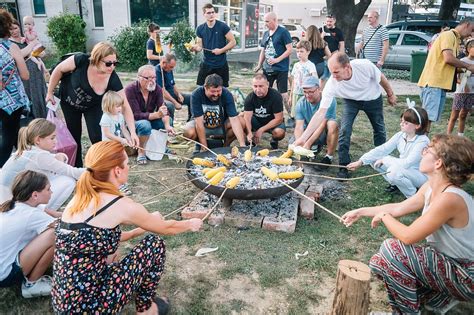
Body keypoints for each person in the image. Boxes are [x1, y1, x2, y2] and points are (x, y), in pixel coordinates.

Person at [52, 140, 203, 314]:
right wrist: (190, 224)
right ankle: (147, 309)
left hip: (65, 303)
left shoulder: (81, 197)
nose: (129, 167)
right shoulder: (121, 205)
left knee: (113, 253)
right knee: (154, 244)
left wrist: (137, 230)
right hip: (90, 307)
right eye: (127, 164)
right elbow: (166, 228)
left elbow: (98, 238)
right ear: (117, 170)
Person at [341, 134, 474, 314]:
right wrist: (361, 211)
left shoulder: (450, 198)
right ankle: (436, 298)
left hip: (467, 275)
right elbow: (399, 207)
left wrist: (384, 216)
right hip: (451, 263)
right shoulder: (431, 187)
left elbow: (408, 236)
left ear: (438, 163)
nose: (423, 152)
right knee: (380, 262)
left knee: (392, 250)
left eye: (428, 150)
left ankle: (409, 311)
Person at [293, 52, 397, 179]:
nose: (333, 76)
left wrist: (390, 94)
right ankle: (344, 165)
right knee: (344, 130)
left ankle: (380, 159)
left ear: (347, 67)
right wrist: (303, 138)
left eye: (336, 72)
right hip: (350, 101)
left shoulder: (364, 66)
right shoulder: (332, 83)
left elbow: (381, 78)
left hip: (372, 98)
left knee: (379, 128)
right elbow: (321, 113)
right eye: (331, 72)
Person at [46, 41, 139, 167]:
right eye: (108, 63)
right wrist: (50, 92)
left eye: (115, 63)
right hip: (69, 102)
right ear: (96, 59)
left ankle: (99, 167)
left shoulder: (112, 78)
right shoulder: (81, 60)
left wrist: (132, 132)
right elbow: (59, 70)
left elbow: (125, 106)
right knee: (74, 135)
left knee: (97, 136)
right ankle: (76, 168)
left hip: (93, 106)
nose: (112, 67)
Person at [0, 118, 85, 210]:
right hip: (13, 205)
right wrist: (98, 170)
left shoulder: (27, 150)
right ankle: (46, 212)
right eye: (52, 138)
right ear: (38, 140)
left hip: (6, 200)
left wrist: (61, 157)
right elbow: (73, 172)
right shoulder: (39, 156)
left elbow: (55, 161)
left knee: (52, 176)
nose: (55, 141)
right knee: (68, 180)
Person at [347, 107, 429, 198]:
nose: (401, 124)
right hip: (404, 169)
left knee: (393, 172)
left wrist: (385, 160)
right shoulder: (401, 135)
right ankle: (397, 184)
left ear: (417, 126)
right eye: (401, 121)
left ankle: (413, 197)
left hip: (421, 176)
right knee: (374, 159)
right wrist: (361, 161)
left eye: (406, 123)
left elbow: (407, 163)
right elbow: (383, 149)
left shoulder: (423, 142)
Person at [0, 170, 56, 298]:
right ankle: (32, 285)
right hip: (5, 275)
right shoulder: (31, 214)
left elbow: (54, 214)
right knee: (54, 234)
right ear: (35, 195)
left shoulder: (15, 205)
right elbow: (64, 227)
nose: (51, 192)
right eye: (48, 189)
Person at [418, 18, 474, 132]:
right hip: (434, 83)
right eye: (472, 30)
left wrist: (465, 71)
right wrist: (467, 66)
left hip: (439, 84)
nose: (471, 34)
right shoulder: (448, 35)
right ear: (466, 25)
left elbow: (447, 65)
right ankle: (419, 146)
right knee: (426, 120)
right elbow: (448, 58)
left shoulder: (454, 39)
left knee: (429, 120)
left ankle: (423, 146)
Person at [125, 64, 174, 165]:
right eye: (148, 78)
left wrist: (167, 125)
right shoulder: (130, 89)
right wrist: (156, 115)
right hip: (133, 122)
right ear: (139, 78)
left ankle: (162, 146)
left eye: (154, 77)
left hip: (148, 118)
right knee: (144, 125)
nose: (152, 81)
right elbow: (135, 115)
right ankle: (141, 151)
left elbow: (164, 110)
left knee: (168, 121)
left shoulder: (157, 89)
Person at [184, 74, 246, 151]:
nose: (216, 94)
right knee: (189, 132)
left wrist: (242, 145)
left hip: (221, 126)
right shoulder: (196, 94)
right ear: (205, 87)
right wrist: (205, 148)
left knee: (241, 121)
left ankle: (225, 146)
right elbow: (199, 123)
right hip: (201, 125)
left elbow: (234, 119)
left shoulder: (227, 94)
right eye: (213, 91)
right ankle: (199, 144)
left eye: (219, 91)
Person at [1, 10, 30, 168]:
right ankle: (4, 171)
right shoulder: (11, 47)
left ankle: (16, 166)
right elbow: (25, 75)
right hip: (12, 101)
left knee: (10, 135)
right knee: (9, 136)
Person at [255, 12, 293, 124]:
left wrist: (277, 60)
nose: (265, 23)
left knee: (283, 95)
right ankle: (266, 115)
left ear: (275, 20)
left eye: (267, 21)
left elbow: (289, 49)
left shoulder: (283, 32)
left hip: (281, 68)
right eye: (264, 21)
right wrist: (259, 64)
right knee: (264, 91)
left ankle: (291, 116)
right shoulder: (266, 34)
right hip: (267, 68)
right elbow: (263, 50)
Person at [293, 76, 338, 169]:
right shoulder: (300, 103)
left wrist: (308, 143)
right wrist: (300, 143)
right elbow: (299, 126)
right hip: (308, 131)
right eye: (305, 92)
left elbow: (322, 124)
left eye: (311, 92)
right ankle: (314, 149)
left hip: (323, 131)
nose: (307, 95)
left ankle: (328, 157)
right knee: (294, 142)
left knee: (333, 124)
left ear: (319, 89)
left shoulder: (329, 100)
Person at [9, 19, 48, 119]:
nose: (14, 31)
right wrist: (32, 45)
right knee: (30, 98)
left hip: (37, 74)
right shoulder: (10, 44)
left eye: (15, 28)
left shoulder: (26, 39)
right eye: (11, 29)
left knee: (40, 95)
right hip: (24, 78)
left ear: (19, 27)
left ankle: (44, 121)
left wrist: (36, 51)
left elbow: (42, 51)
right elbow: (20, 55)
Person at [191, 3, 236, 88]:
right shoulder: (200, 29)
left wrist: (221, 50)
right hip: (206, 64)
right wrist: (194, 48)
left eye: (212, 12)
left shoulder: (223, 26)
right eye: (208, 13)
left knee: (223, 90)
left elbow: (233, 42)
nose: (211, 14)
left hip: (221, 64)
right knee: (200, 88)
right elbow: (199, 46)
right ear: (204, 14)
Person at [242, 74, 285, 149]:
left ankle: (274, 140)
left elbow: (279, 119)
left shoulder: (276, 96)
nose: (258, 90)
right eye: (255, 86)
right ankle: (248, 141)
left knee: (279, 133)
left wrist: (261, 130)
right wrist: (249, 133)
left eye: (261, 86)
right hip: (257, 121)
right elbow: (247, 118)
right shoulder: (250, 98)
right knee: (240, 118)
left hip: (272, 122)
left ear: (267, 85)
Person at [447, 38, 474, 136]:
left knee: (463, 114)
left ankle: (460, 136)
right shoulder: (462, 61)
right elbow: (456, 77)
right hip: (460, 92)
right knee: (454, 115)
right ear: (468, 48)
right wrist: (463, 84)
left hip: (471, 92)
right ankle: (448, 135)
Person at [156, 53, 191, 121]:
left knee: (191, 98)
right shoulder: (157, 71)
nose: (172, 69)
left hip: (172, 94)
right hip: (163, 97)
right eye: (171, 67)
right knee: (170, 106)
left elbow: (173, 84)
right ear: (164, 63)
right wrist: (175, 103)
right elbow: (162, 91)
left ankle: (191, 120)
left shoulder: (169, 70)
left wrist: (178, 94)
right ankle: (170, 126)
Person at [289, 40, 317, 119]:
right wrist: (291, 96)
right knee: (296, 113)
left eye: (301, 51)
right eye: (297, 51)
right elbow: (294, 81)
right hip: (296, 93)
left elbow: (315, 79)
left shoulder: (310, 65)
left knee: (305, 114)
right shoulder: (296, 65)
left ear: (308, 52)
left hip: (306, 94)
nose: (299, 54)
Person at [306, 25, 331, 90]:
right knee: (320, 86)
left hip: (309, 65)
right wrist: (323, 57)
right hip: (320, 65)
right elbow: (329, 55)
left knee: (309, 85)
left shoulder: (306, 43)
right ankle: (319, 96)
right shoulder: (323, 43)